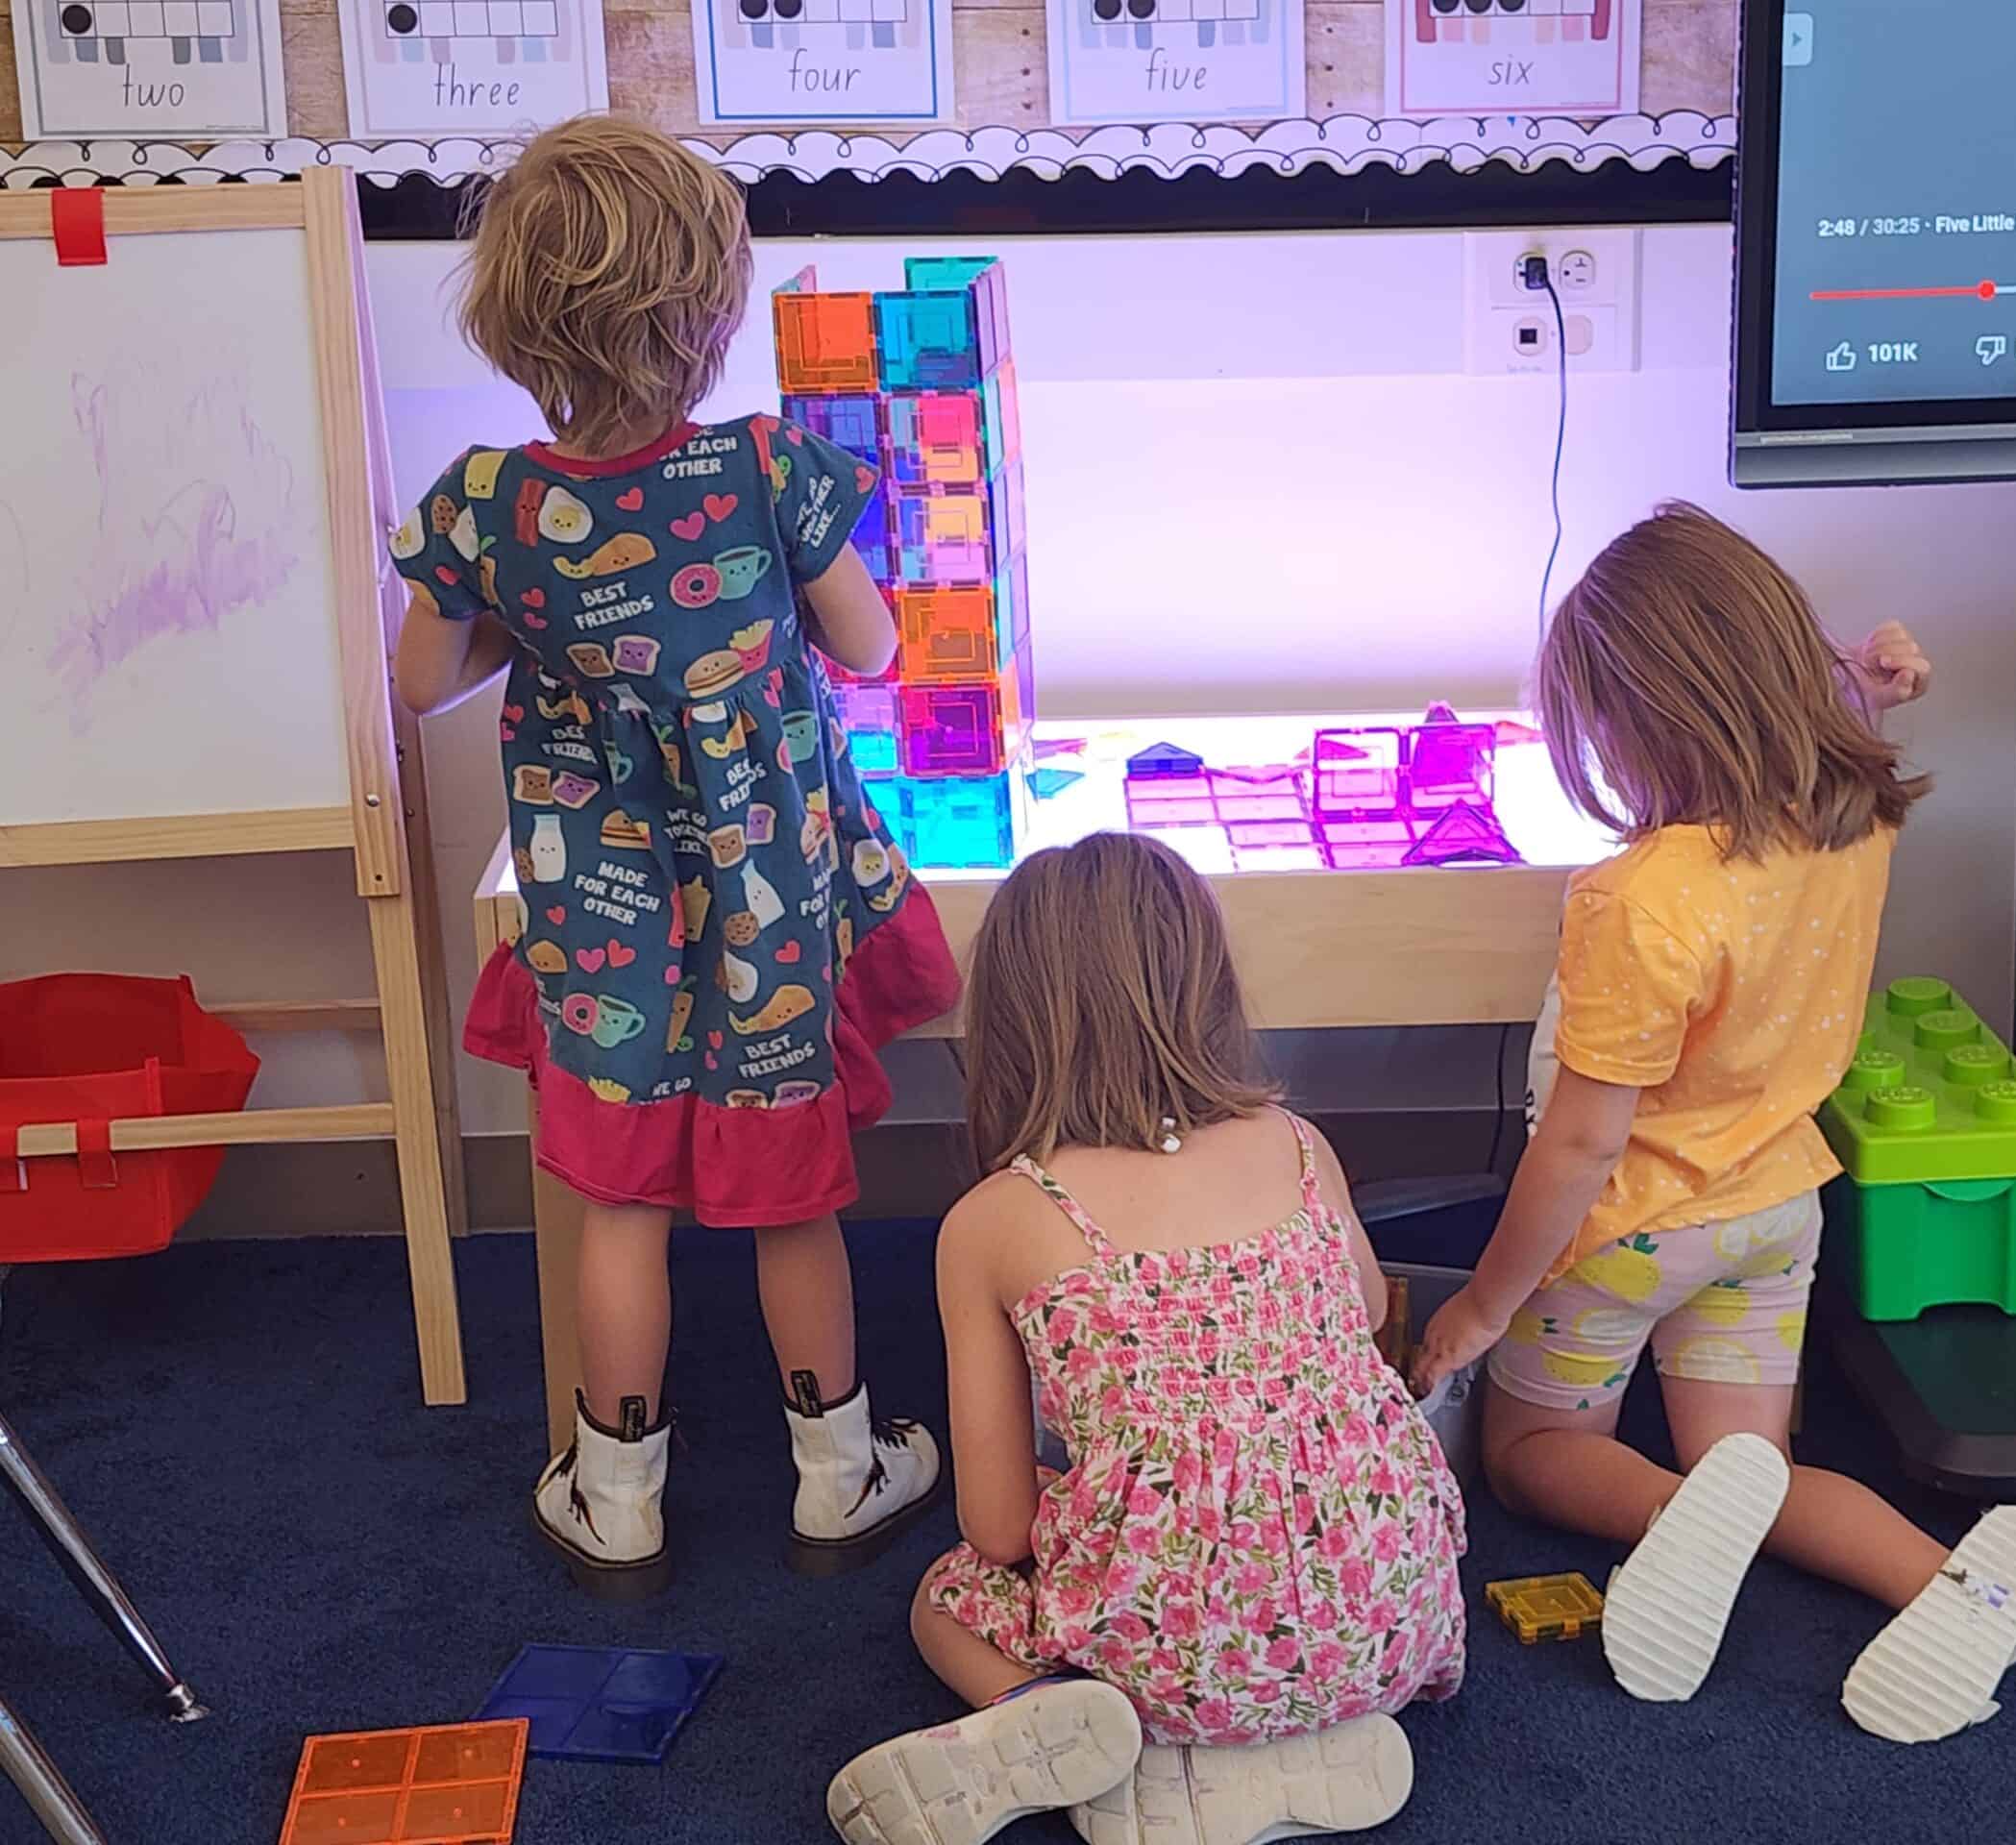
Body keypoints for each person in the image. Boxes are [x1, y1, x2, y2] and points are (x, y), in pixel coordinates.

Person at [386, 118, 957, 1600]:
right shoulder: (772, 469)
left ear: (515, 321)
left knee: (617, 1202)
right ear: (710, 313)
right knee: (792, 1200)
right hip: (768, 927)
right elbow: (876, 649)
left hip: (600, 925)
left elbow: (421, 681)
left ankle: (615, 1490)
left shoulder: (489, 504)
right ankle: (840, 1475)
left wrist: (559, 621)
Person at [1413, 504, 2016, 1744]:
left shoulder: (1636, 899)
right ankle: (1948, 1582)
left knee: (1535, 1451)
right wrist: (1867, 678)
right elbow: (1844, 711)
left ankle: (1665, 1523)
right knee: (1752, 1472)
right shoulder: (1857, 814)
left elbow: (1584, 1144)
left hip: (1631, 1231)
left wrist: (1484, 1307)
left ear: (1639, 727)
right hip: (1776, 1213)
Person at [827, 835, 1464, 1845]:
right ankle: (1298, 1730)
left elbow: (995, 1525)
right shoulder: (1300, 1147)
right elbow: (1362, 1314)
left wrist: (1128, 1483)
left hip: (1161, 1646)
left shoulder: (994, 1220)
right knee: (1270, 1549)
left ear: (1010, 1017)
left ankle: (1046, 1713)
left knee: (945, 1598)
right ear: (1207, 983)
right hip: (1386, 1613)